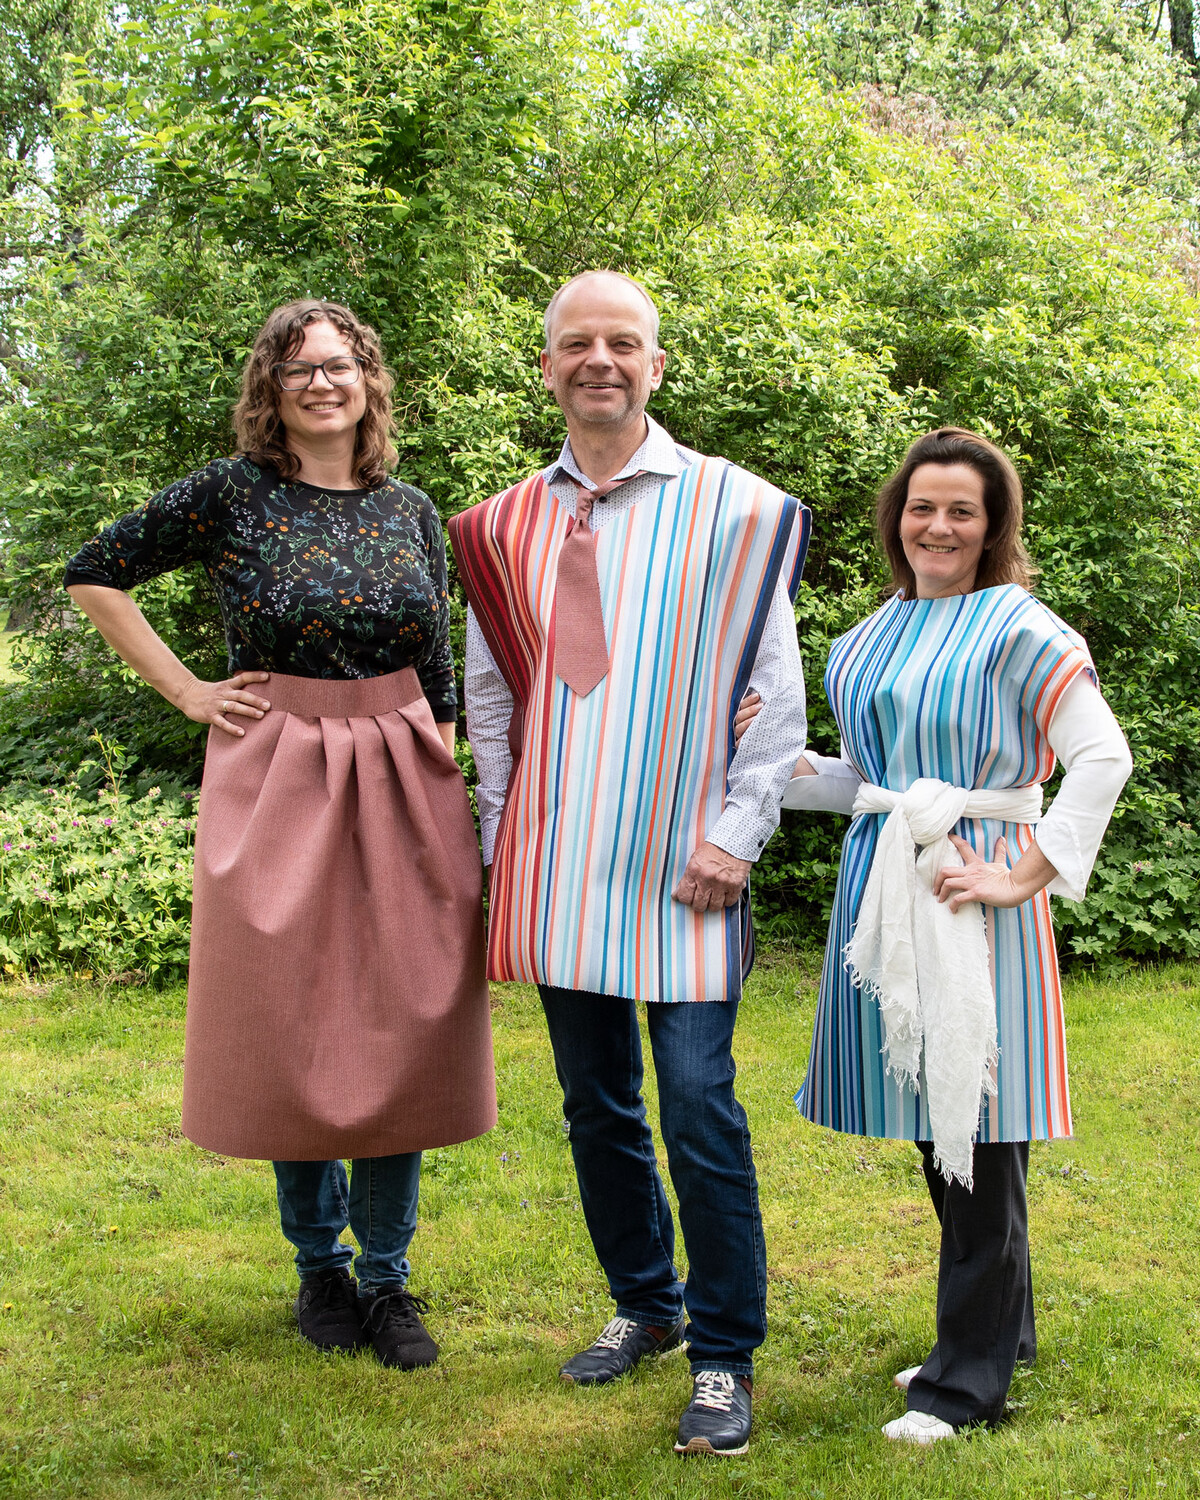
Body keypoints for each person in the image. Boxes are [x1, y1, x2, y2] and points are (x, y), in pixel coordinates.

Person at [64, 299, 496, 1370]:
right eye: (298, 368)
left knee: (404, 1023)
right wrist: (187, 691)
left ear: (368, 381)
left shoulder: (410, 510)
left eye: (338, 365)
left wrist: (440, 775)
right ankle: (319, 1270)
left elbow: (438, 667)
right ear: (270, 387)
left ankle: (387, 1278)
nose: (320, 383)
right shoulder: (231, 494)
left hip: (403, 773)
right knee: (293, 1021)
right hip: (280, 770)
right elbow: (94, 571)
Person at [449, 270, 810, 1457]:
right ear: (547, 366)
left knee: (699, 1106)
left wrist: (737, 836)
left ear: (655, 365)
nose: (598, 360)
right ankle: (646, 1304)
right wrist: (504, 843)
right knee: (596, 1106)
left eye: (623, 342)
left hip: (684, 859)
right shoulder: (500, 527)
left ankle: (724, 1356)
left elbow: (775, 699)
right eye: (576, 343)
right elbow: (492, 702)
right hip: (560, 859)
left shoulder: (736, 510)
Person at [740, 426, 1131, 1442]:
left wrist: (1024, 876)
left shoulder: (1020, 627)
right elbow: (880, 781)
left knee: (980, 1123)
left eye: (963, 510)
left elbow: (1102, 757)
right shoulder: (873, 634)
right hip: (891, 882)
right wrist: (785, 766)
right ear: (897, 518)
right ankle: (1002, 1331)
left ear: (993, 526)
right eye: (923, 507)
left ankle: (965, 1383)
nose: (939, 526)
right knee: (937, 1117)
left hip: (971, 895)